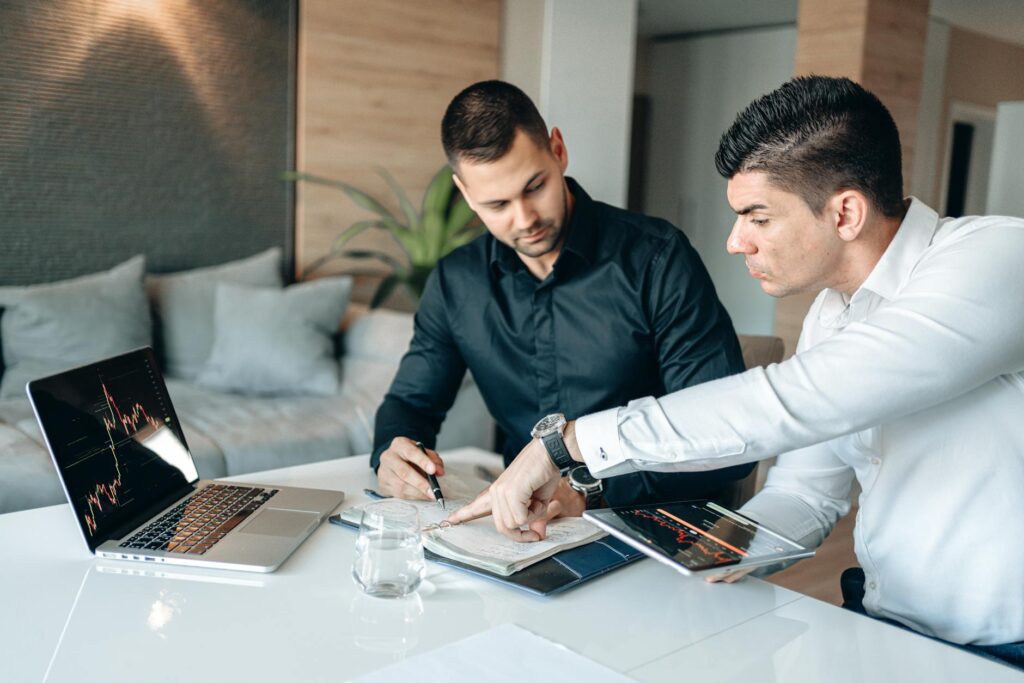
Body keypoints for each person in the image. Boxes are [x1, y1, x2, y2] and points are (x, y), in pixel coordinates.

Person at [450, 76, 1024, 663]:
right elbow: (806, 491)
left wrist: (569, 443)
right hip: (881, 626)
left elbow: (797, 399)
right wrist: (714, 551)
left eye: (757, 216)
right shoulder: (832, 313)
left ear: (845, 211)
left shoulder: (1000, 260)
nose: (734, 241)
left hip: (1003, 649)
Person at [371, 79, 753, 519]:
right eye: (497, 204)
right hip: (524, 525)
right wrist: (394, 453)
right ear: (466, 194)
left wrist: (589, 489)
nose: (525, 219)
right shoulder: (457, 282)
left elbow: (725, 439)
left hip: (652, 523)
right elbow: (410, 403)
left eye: (534, 187)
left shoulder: (657, 259)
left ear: (557, 149)